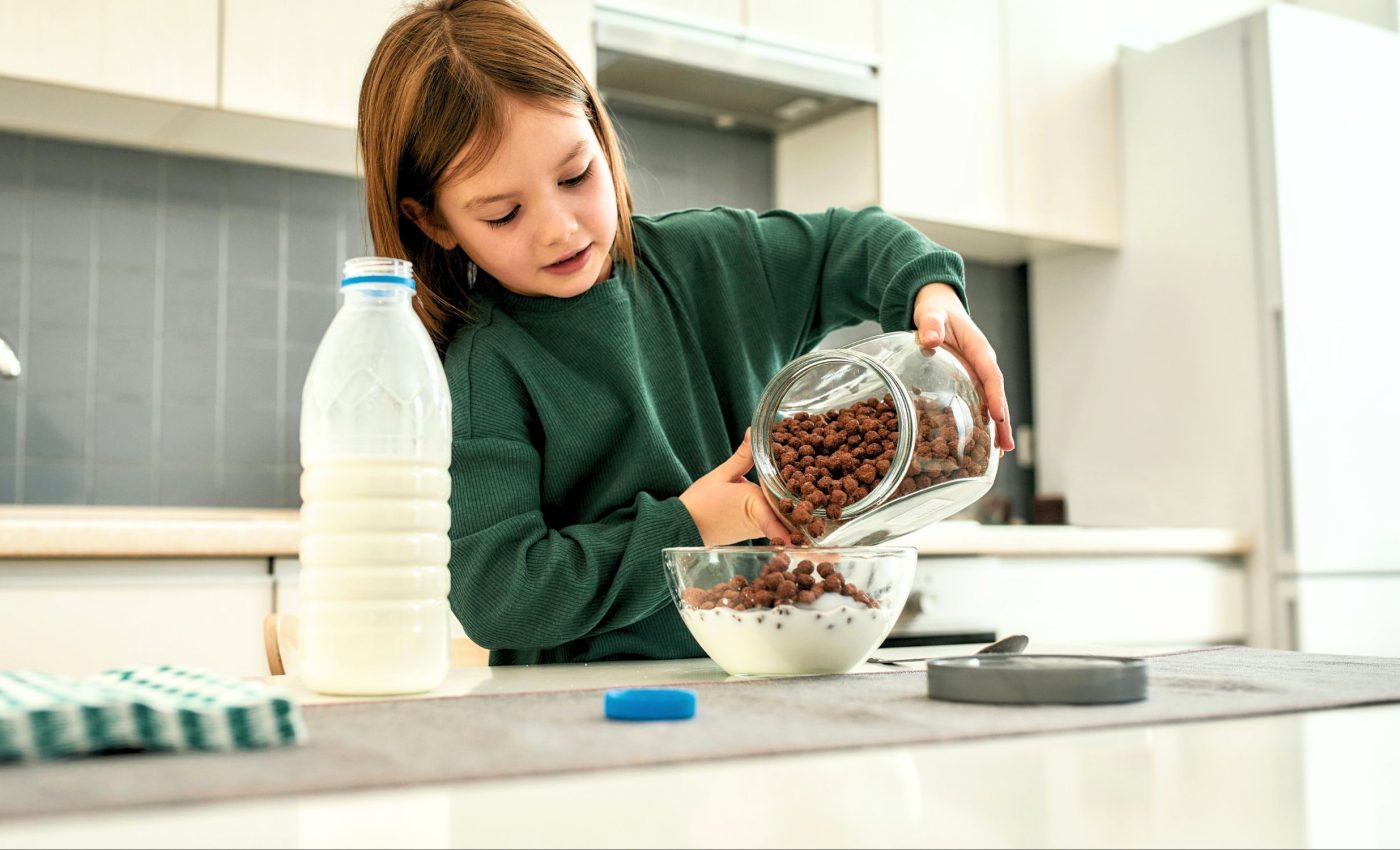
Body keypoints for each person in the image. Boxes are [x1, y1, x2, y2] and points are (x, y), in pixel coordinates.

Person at [357, 0, 1015, 665]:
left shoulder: (715, 260)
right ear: (435, 223)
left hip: (770, 677)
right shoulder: (485, 367)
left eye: (575, 175)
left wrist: (930, 292)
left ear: (598, 128)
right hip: (587, 714)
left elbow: (854, 241)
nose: (559, 227)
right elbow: (500, 596)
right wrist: (697, 524)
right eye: (503, 213)